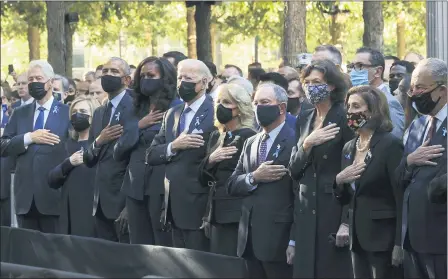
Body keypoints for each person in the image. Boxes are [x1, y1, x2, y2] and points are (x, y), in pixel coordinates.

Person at [288, 59, 353, 278]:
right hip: (306, 211)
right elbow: (294, 169)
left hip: (333, 209)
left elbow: (353, 171)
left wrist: (346, 221)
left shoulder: (345, 116)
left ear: (332, 85)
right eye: (307, 82)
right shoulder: (305, 117)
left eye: (317, 81)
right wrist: (308, 143)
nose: (311, 86)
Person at [334, 86, 404, 278]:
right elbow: (346, 197)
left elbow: (400, 196)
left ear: (373, 110)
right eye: (348, 106)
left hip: (383, 240)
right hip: (356, 239)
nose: (350, 112)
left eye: (356, 106)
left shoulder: (390, 145)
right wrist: (339, 181)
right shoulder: (349, 147)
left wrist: (399, 243)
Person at [146, 59, 215, 252]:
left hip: (199, 205)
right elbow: (151, 154)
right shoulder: (172, 113)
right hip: (172, 205)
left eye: (188, 78)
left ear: (204, 82)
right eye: (180, 77)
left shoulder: (215, 112)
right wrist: (174, 146)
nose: (182, 82)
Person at [226, 83, 294, 278]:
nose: (258, 108)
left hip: (279, 240)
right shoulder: (251, 141)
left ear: (281, 108)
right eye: (255, 103)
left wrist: (294, 240)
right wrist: (253, 177)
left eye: (265, 102)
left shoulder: (295, 139)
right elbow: (232, 185)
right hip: (248, 240)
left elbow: (299, 196)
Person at [115, 56, 181, 245]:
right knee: (138, 245)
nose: (145, 80)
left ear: (164, 78)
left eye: (151, 75)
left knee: (162, 245)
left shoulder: (176, 108)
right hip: (135, 186)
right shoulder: (135, 109)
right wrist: (139, 126)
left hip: (161, 187)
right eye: (142, 75)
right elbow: (118, 150)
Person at [0, 60, 70, 233]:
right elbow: (3, 146)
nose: (34, 83)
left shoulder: (66, 112)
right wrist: (29, 137)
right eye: (30, 79)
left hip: (54, 197)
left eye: (38, 78)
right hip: (25, 199)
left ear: (51, 82)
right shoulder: (20, 113)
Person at [396, 58, 447, 279]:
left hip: (441, 238)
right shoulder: (417, 125)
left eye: (421, 88)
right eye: (413, 88)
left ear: (442, 90)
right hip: (413, 238)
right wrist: (409, 162)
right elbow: (399, 177)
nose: (415, 93)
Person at [83, 57, 138, 242]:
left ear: (127, 80)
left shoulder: (136, 107)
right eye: (105, 71)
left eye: (114, 72)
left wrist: (129, 206)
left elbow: (136, 158)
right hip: (100, 202)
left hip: (124, 201)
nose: (108, 75)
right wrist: (99, 141)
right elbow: (88, 158)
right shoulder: (99, 111)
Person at [198, 84, 256, 256]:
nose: (220, 106)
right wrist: (210, 160)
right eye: (218, 102)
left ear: (239, 108)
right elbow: (202, 178)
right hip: (215, 212)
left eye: (226, 102)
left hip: (236, 214)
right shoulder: (217, 135)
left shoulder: (248, 136)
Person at [48, 96, 99, 237]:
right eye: (74, 112)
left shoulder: (99, 144)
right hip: (69, 211)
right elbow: (52, 179)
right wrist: (68, 163)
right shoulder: (66, 144)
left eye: (83, 111)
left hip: (93, 212)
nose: (78, 115)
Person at [350, 47, 404, 139]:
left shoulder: (389, 103)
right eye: (352, 66)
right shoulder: (352, 100)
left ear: (378, 71)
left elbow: (394, 143)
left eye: (360, 66)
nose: (353, 71)